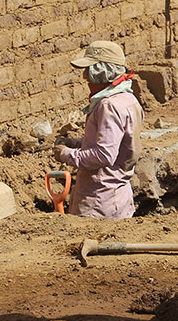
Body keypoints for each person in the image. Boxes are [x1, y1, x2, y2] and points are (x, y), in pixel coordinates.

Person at [53, 40, 144, 220]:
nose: (85, 77)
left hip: (99, 203)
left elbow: (104, 155)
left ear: (102, 72)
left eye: (89, 71)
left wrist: (66, 154)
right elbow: (115, 142)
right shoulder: (128, 99)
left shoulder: (108, 106)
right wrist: (76, 142)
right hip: (119, 200)